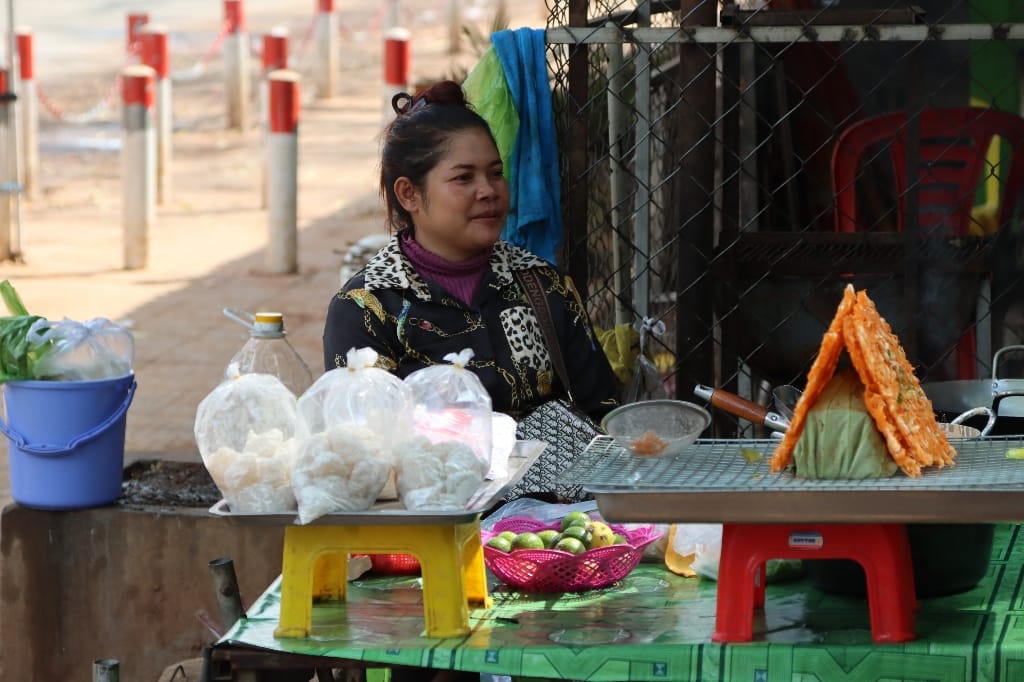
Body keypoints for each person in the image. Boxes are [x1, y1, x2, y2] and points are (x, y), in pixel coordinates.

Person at [323, 80, 620, 422]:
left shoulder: (544, 285)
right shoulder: (366, 309)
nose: (488, 191)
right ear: (409, 194)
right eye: (464, 178)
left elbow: (603, 415)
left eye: (495, 174)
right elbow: (365, 440)